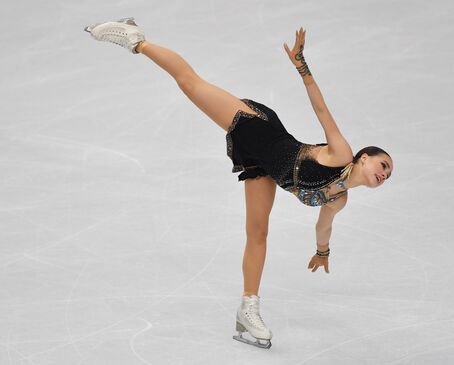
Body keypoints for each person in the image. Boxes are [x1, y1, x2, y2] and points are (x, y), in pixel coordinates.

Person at [84, 17, 393, 349]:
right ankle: (135, 39)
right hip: (258, 128)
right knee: (189, 83)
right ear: (364, 158)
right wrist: (302, 66)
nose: (384, 173)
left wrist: (323, 252)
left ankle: (249, 308)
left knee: (258, 233)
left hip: (265, 166)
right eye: (383, 164)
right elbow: (321, 108)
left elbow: (324, 227)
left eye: (388, 175)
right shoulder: (340, 154)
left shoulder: (338, 199)